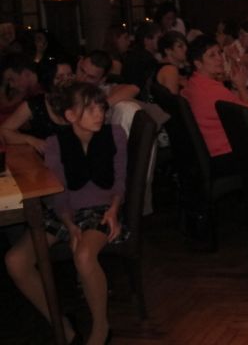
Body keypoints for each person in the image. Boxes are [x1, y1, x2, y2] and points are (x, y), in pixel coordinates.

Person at [5, 81, 128, 345]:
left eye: (101, 108)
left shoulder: (115, 134)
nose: (99, 114)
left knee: (83, 255)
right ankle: (62, 326)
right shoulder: (55, 144)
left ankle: (101, 328)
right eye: (90, 109)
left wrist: (115, 210)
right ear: (70, 115)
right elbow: (59, 195)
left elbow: (120, 181)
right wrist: (70, 225)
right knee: (15, 261)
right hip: (66, 212)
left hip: (102, 209)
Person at [181, 34, 248, 177]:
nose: (220, 58)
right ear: (198, 64)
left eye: (219, 53)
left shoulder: (194, 83)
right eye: (212, 55)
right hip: (225, 156)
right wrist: (241, 86)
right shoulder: (212, 90)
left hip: (206, 154)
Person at [0, 55, 73, 152]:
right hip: (47, 159)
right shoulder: (37, 103)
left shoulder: (81, 99)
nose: (67, 81)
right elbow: (4, 131)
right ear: (49, 81)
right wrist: (30, 140)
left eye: (70, 75)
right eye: (59, 77)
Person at [155, 30, 189, 94]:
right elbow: (173, 99)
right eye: (180, 46)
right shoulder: (170, 70)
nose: (186, 48)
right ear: (168, 50)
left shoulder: (163, 66)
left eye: (186, 45)